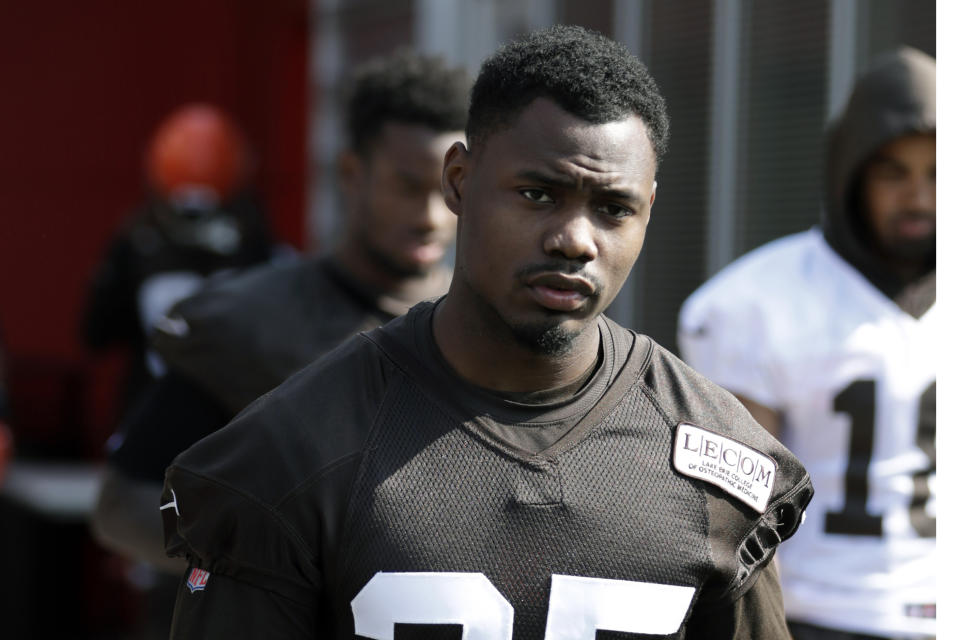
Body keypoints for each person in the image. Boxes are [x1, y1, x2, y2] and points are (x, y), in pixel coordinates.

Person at [161, 26, 813, 638]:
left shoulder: (718, 461)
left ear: (648, 211)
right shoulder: (299, 447)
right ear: (460, 181)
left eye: (613, 208)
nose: (575, 240)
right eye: (537, 194)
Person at [91, 49, 469, 574]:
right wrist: (273, 567)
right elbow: (124, 506)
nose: (431, 215)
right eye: (408, 186)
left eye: (448, 188)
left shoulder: (487, 326)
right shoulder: (246, 324)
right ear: (351, 172)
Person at [678, 47, 935, 640]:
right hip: (812, 614)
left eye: (936, 173)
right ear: (852, 171)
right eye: (894, 172)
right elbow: (737, 511)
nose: (919, 197)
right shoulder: (757, 299)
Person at [82, 103, 275, 413]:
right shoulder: (253, 241)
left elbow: (95, 332)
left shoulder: (139, 239)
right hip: (174, 409)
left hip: (215, 412)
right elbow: (96, 331)